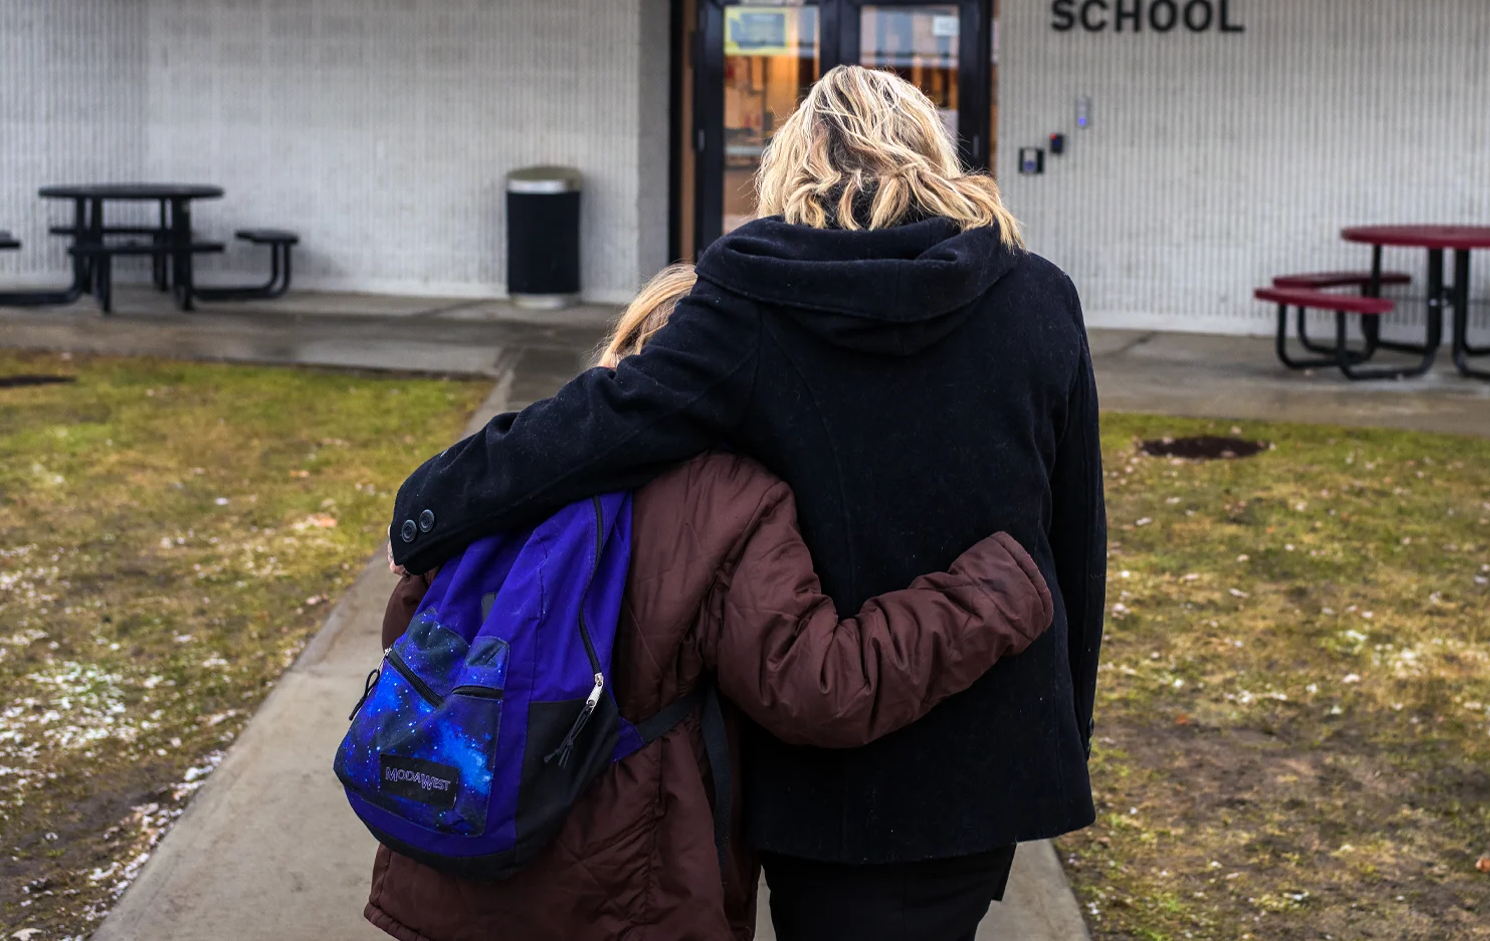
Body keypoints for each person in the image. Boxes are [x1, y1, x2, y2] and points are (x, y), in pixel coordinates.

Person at [388, 65, 1106, 940]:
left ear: (790, 170)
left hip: (815, 774)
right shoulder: (1037, 297)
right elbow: (1074, 541)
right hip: (983, 756)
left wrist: (431, 505)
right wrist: (1066, 728)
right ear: (933, 153)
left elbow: (598, 423)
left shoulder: (754, 305)